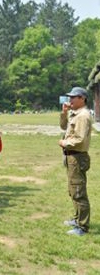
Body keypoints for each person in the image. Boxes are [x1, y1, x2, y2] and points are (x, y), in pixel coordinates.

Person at [59, 87, 92, 236]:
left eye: (73, 97)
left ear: (82, 98)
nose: (70, 100)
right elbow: (63, 126)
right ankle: (77, 218)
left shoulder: (83, 116)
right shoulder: (75, 114)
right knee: (73, 190)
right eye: (70, 97)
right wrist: (64, 113)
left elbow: (79, 139)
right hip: (72, 157)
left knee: (78, 192)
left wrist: (65, 143)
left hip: (77, 157)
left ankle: (82, 227)